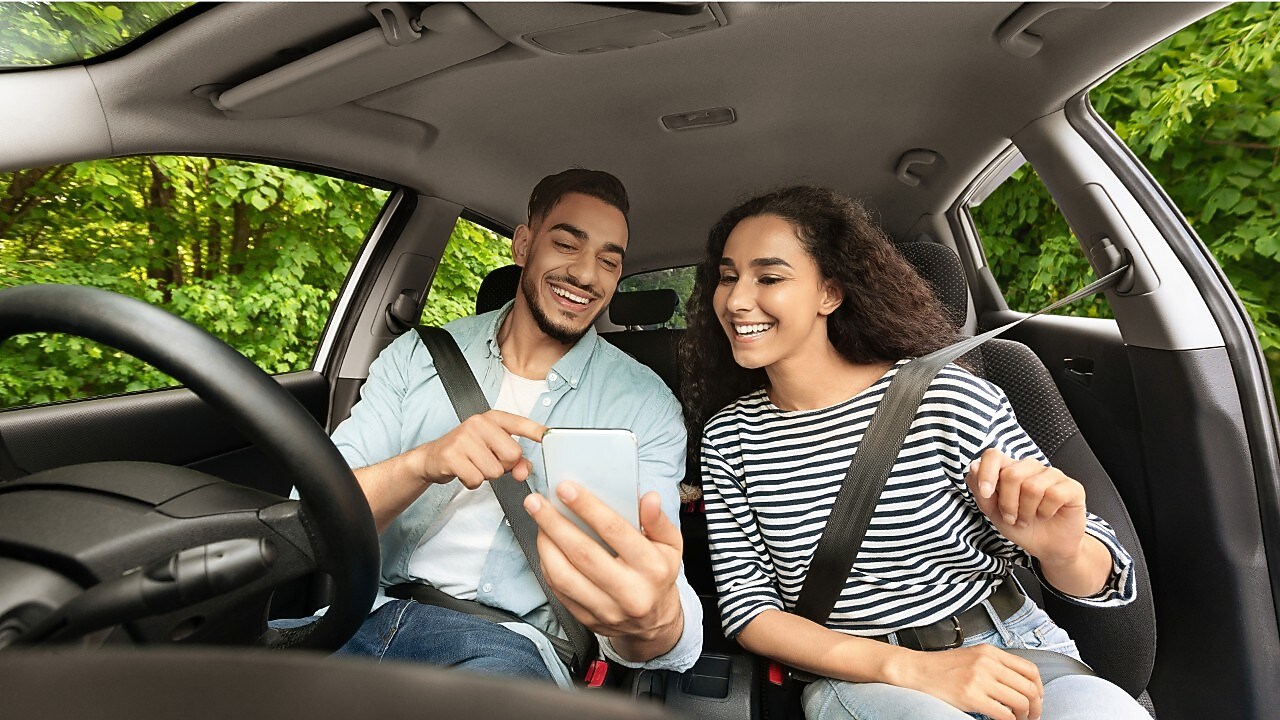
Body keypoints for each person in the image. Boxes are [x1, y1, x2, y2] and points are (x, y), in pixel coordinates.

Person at [678, 186, 1147, 720]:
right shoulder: (730, 436)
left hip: (1010, 644)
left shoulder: (946, 397)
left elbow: (1101, 577)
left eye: (769, 277)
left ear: (829, 293)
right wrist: (913, 669)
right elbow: (749, 611)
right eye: (728, 276)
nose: (737, 300)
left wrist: (1060, 551)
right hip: (859, 670)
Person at [312, 168, 702, 685]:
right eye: (567, 244)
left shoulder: (646, 404)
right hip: (362, 616)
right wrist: (422, 463)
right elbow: (315, 520)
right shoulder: (416, 357)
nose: (588, 275)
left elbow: (653, 580)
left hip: (511, 647)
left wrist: (658, 621)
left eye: (609, 261)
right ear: (523, 245)